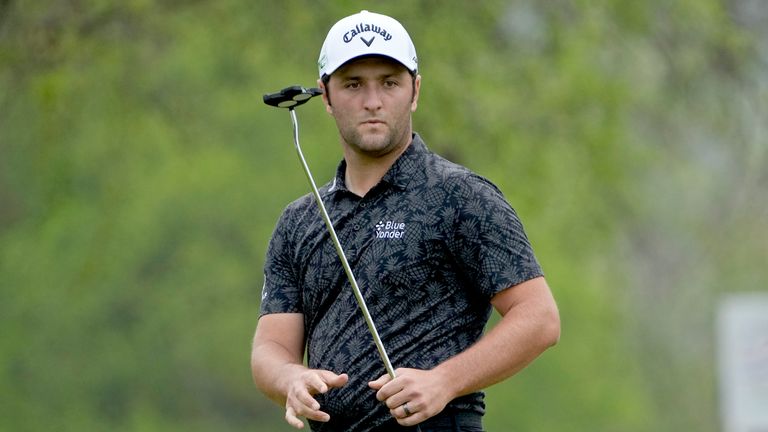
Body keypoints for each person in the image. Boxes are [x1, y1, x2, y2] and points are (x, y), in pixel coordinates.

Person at [251, 10, 560, 432]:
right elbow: (271, 347)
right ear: (325, 96)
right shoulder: (299, 221)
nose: (372, 101)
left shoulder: (461, 197)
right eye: (353, 84)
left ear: (414, 91)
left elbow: (539, 318)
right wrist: (290, 377)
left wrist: (443, 382)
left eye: (389, 83)